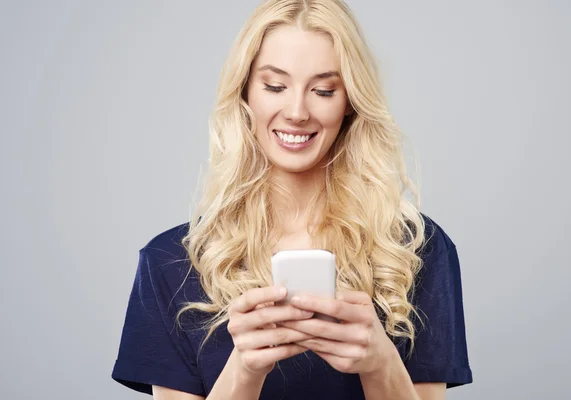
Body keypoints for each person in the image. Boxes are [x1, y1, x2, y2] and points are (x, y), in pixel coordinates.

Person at [111, 0, 473, 399]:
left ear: (349, 101)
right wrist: (246, 367)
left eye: (323, 90)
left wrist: (380, 362)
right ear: (246, 92)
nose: (297, 111)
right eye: (275, 86)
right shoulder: (170, 263)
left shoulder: (413, 251)